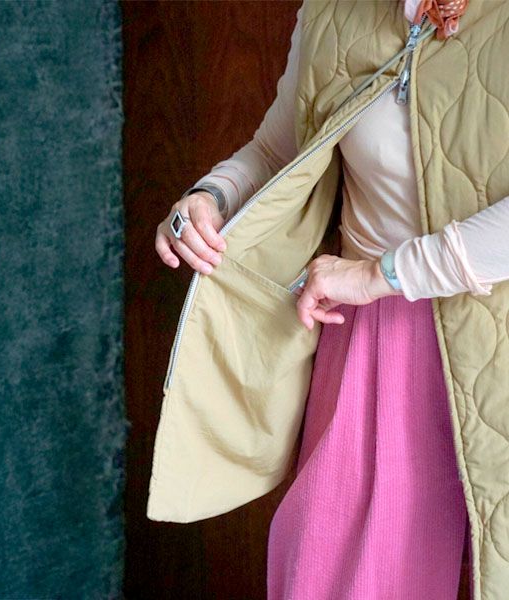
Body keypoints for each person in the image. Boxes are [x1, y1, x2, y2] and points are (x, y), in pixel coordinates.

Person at [153, 0, 509, 597]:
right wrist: (210, 197)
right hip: (374, 345)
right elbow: (280, 148)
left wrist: (381, 274)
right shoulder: (330, 12)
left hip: (487, 330)